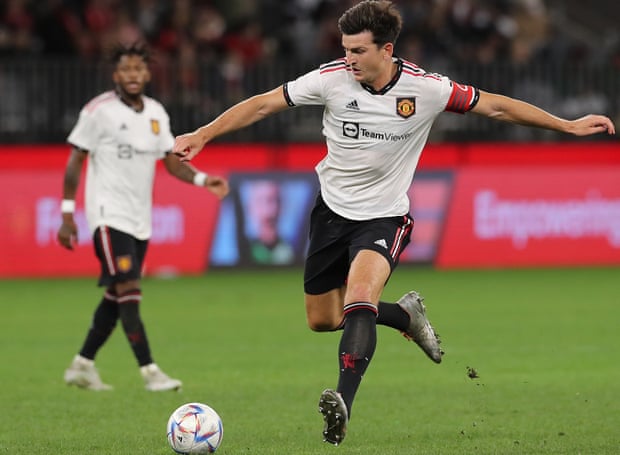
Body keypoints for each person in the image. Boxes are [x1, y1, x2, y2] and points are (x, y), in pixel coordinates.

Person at [172, 0, 615, 444]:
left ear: (386, 50)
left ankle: (343, 403)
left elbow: (495, 107)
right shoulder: (330, 80)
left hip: (385, 217)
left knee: (360, 297)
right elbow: (266, 104)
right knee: (322, 320)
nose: (350, 59)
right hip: (331, 214)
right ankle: (405, 316)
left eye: (359, 51)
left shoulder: (427, 89)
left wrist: (566, 126)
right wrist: (203, 134)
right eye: (346, 49)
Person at [58, 41, 229, 392]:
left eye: (138, 68)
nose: (132, 75)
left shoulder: (155, 113)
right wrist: (66, 213)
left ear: (147, 73)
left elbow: (169, 161)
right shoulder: (98, 111)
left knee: (116, 295)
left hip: (140, 220)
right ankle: (151, 372)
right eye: (125, 69)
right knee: (130, 290)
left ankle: (82, 365)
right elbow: (76, 161)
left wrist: (201, 179)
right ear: (115, 74)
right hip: (108, 216)